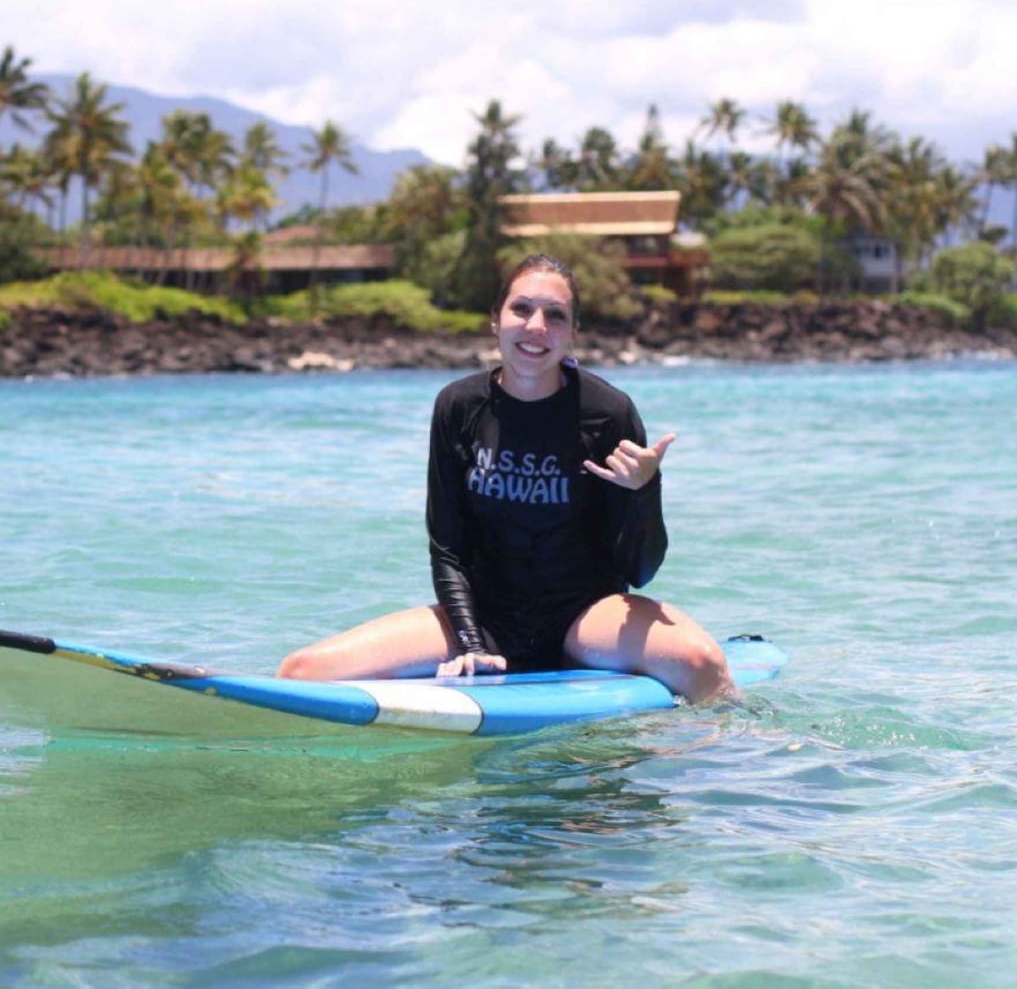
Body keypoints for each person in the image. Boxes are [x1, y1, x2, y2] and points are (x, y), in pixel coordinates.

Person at [277, 253, 732, 702]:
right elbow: (447, 547)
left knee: (702, 664)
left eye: (556, 316)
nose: (537, 326)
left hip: (586, 617)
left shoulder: (607, 414)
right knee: (301, 673)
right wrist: (472, 644)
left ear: (574, 333)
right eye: (522, 309)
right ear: (495, 319)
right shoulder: (458, 406)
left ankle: (729, 763)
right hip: (485, 616)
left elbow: (640, 571)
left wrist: (644, 490)